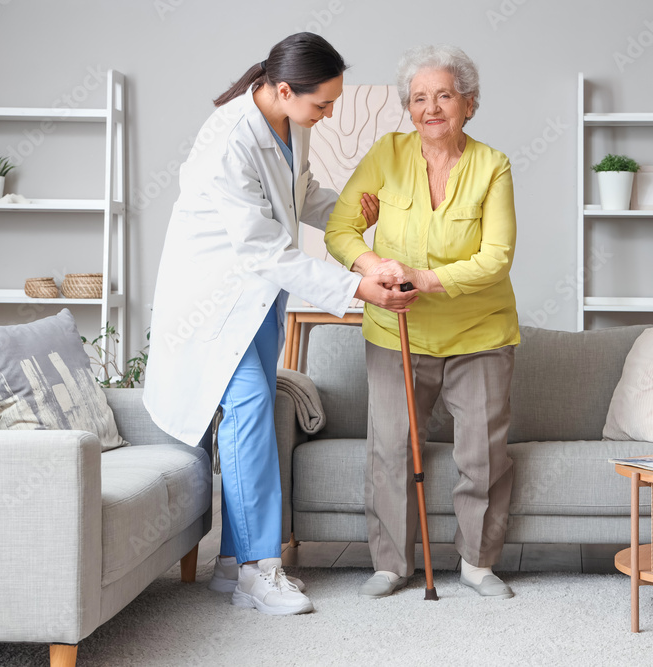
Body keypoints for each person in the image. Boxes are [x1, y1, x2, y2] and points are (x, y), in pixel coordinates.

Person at [143, 33, 417, 616]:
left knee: (256, 414)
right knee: (248, 420)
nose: (329, 114)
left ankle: (229, 563)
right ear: (285, 89)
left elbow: (300, 195)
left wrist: (353, 210)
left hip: (259, 298)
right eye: (322, 104)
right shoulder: (228, 139)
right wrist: (355, 288)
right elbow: (263, 249)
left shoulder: (292, 122)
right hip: (217, 301)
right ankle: (259, 571)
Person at [325, 44, 519, 599]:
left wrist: (423, 278)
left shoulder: (492, 166)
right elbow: (341, 229)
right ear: (408, 108)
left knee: (481, 454)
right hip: (396, 332)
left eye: (444, 95)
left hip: (479, 334)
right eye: (418, 98)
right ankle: (391, 564)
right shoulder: (386, 156)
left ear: (469, 104)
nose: (431, 108)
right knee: (389, 448)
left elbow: (496, 257)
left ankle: (478, 564)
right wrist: (372, 266)